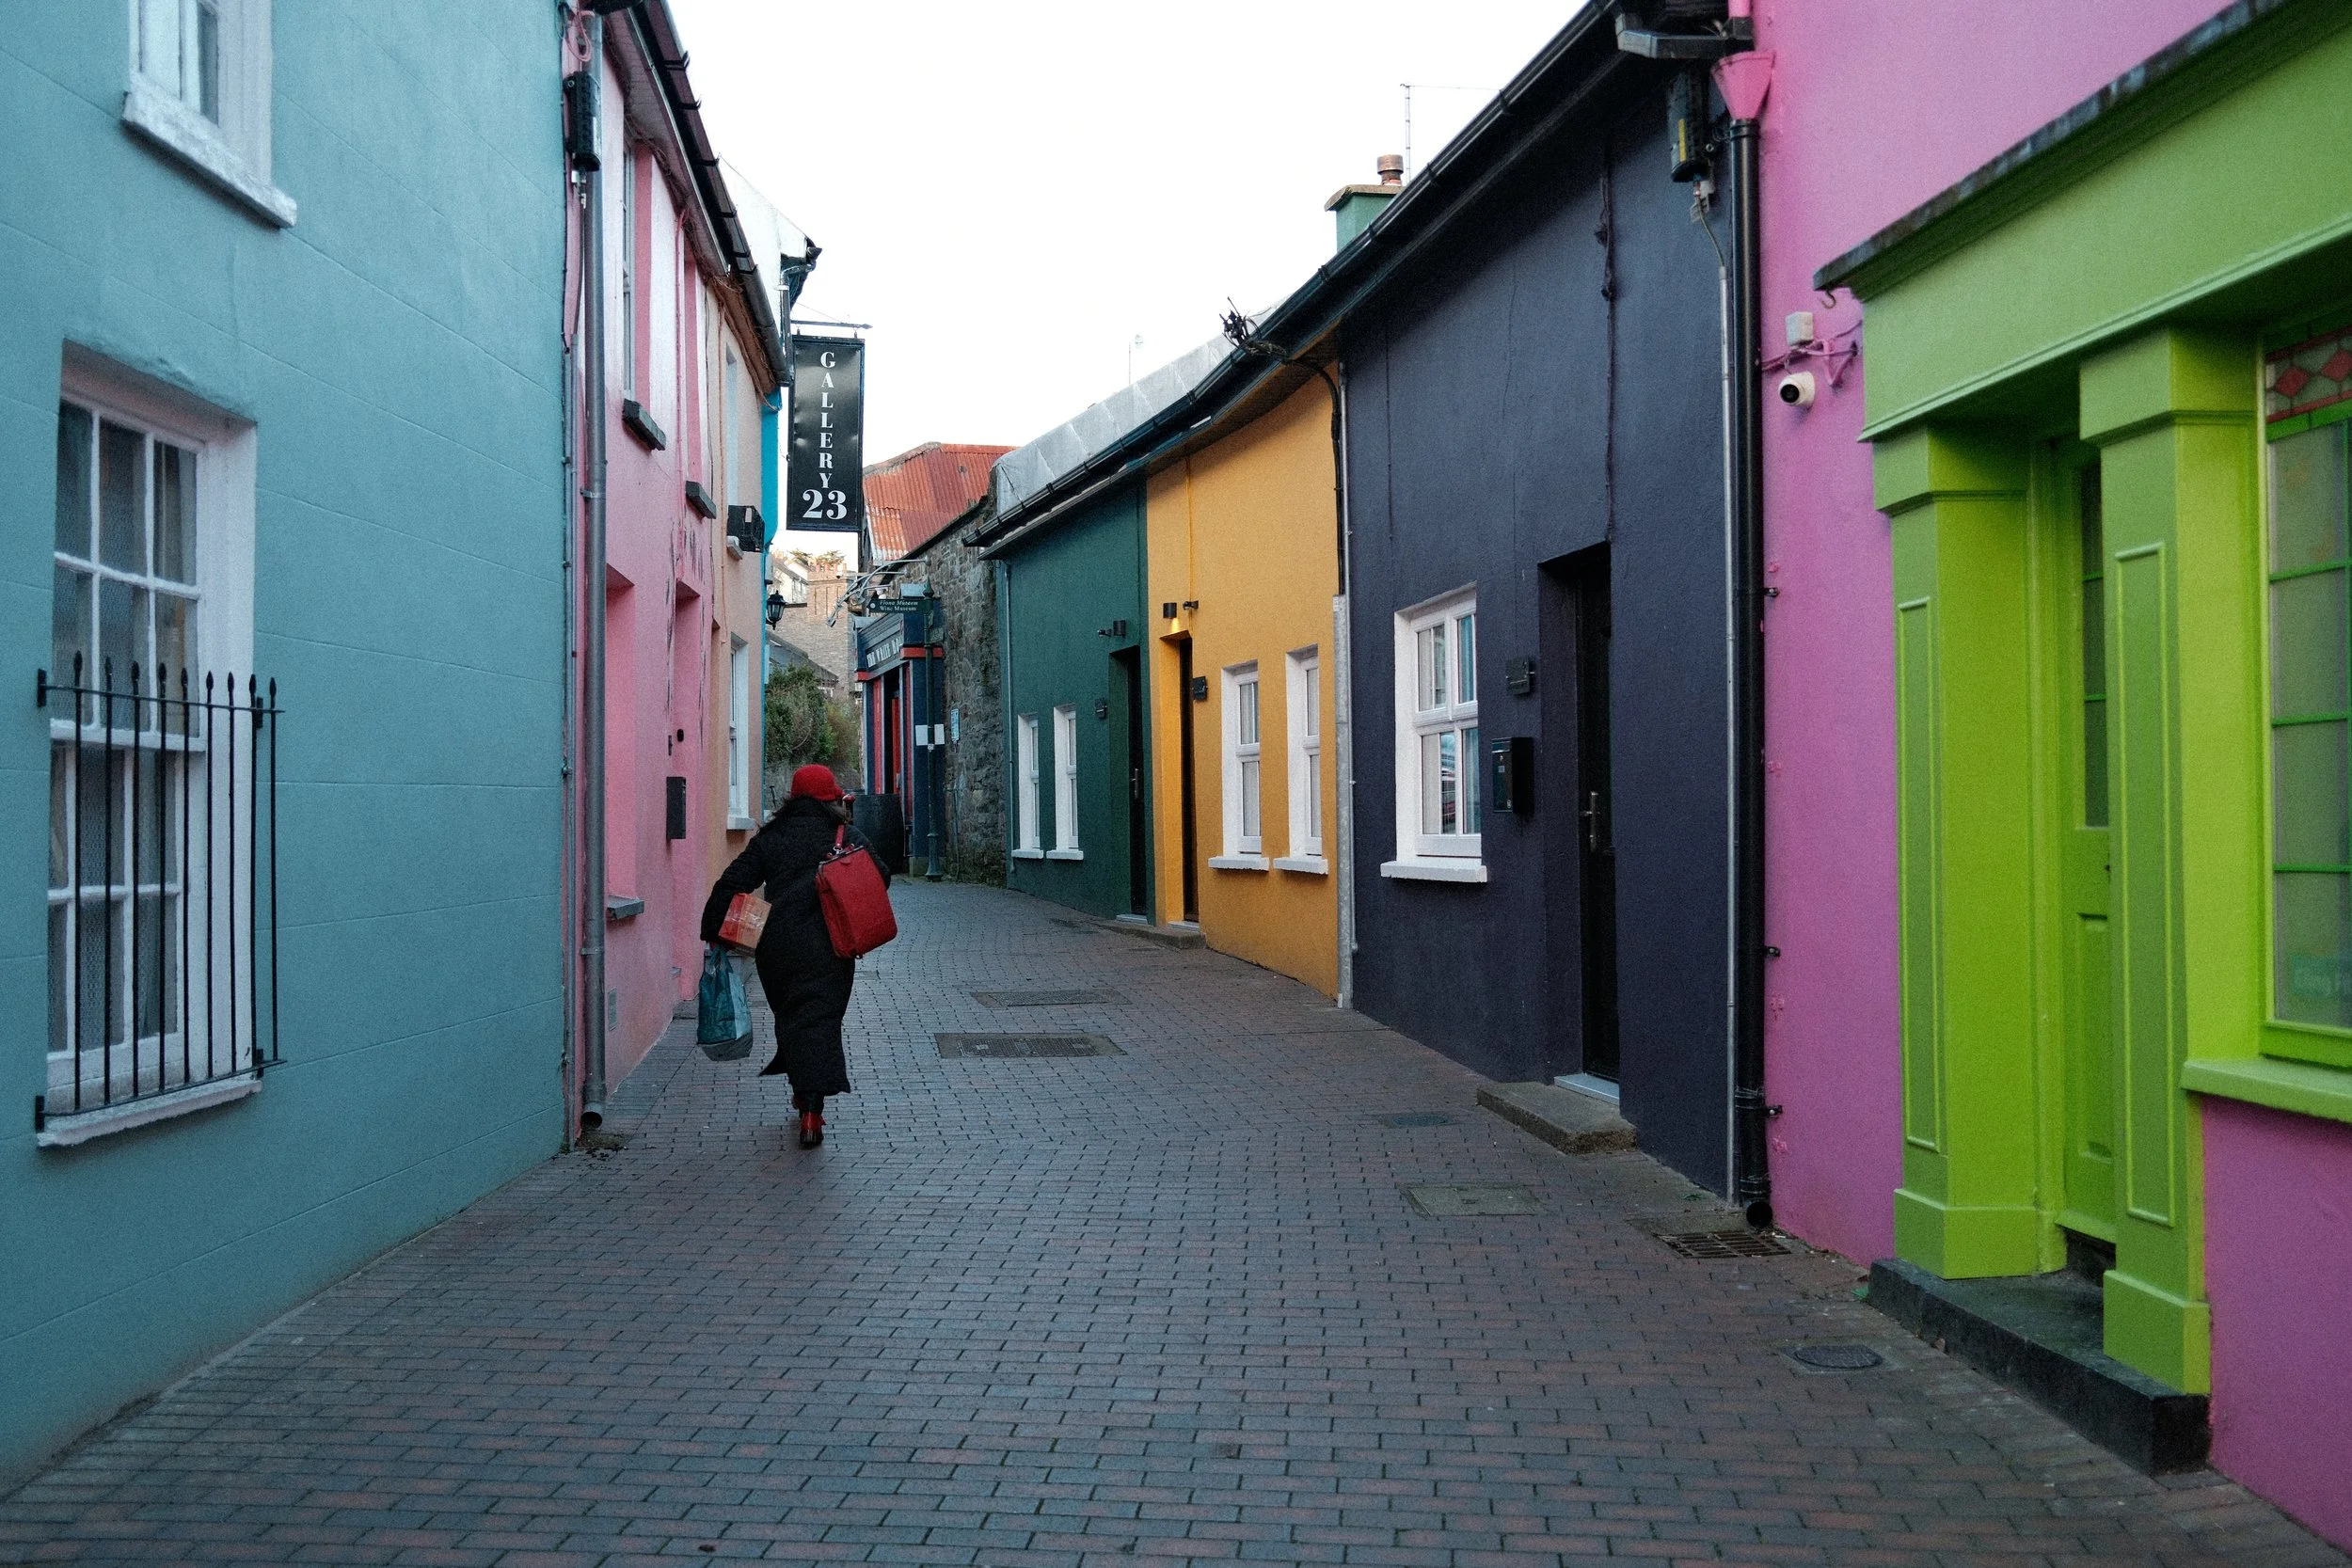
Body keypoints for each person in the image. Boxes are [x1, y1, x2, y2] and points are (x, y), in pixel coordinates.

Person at [700, 764, 889, 1148]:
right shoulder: (845, 835)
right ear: (829, 798)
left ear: (793, 797)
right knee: (820, 1019)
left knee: (791, 1017)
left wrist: (712, 930)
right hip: (832, 947)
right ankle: (812, 1109)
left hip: (778, 949)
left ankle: (802, 1092)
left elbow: (733, 881)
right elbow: (881, 876)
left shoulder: (772, 838)